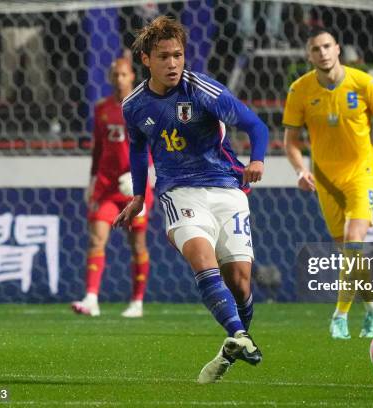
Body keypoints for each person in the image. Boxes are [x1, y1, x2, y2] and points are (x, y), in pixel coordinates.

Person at [113, 16, 268, 384]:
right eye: (164, 56)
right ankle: (240, 335)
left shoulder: (203, 91)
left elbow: (255, 125)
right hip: (178, 191)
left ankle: (235, 341)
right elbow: (137, 150)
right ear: (146, 59)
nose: (172, 64)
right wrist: (139, 195)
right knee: (203, 258)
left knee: (241, 281)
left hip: (227, 188)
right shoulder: (134, 106)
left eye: (178, 55)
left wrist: (257, 159)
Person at [283, 27, 373, 340]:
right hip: (325, 179)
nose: (323, 53)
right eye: (316, 49)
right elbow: (291, 142)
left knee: (353, 241)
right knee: (350, 253)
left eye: (327, 46)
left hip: (361, 172)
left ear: (338, 48)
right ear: (308, 55)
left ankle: (340, 316)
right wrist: (300, 170)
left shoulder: (364, 83)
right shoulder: (299, 90)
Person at [72, 58, 154, 318]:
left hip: (136, 189)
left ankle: (137, 302)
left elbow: (156, 146)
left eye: (124, 74)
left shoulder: (146, 106)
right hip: (107, 187)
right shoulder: (102, 109)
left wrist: (141, 175)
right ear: (110, 78)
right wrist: (92, 180)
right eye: (115, 75)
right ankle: (91, 299)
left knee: (137, 244)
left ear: (132, 77)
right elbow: (98, 148)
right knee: (96, 239)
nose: (119, 79)